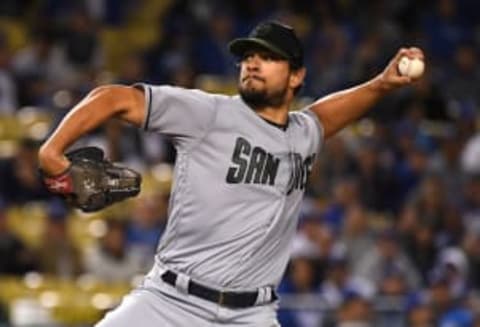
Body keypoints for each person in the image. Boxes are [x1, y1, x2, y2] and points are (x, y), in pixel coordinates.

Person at [38, 21, 424, 326]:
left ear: (296, 77)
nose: (252, 63)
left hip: (251, 315)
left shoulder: (305, 134)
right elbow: (113, 98)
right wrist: (52, 152)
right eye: (248, 56)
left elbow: (327, 115)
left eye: (268, 57)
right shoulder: (209, 113)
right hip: (170, 303)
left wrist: (383, 84)